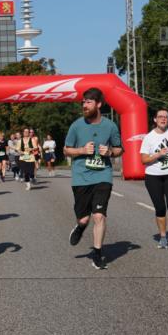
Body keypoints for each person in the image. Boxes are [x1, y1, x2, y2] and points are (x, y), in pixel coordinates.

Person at [64, 88, 124, 270]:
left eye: (89, 102)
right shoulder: (76, 126)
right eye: (83, 102)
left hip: (102, 176)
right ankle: (80, 227)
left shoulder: (110, 126)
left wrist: (111, 152)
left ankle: (97, 254)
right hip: (81, 178)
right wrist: (81, 150)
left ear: (99, 104)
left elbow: (119, 148)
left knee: (99, 215)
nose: (84, 105)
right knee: (84, 219)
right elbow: (66, 150)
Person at [140, 109, 168, 249]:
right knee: (160, 208)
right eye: (160, 117)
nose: (163, 119)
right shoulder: (149, 137)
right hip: (153, 177)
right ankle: (163, 237)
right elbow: (143, 160)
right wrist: (158, 155)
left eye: (166, 117)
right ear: (155, 119)